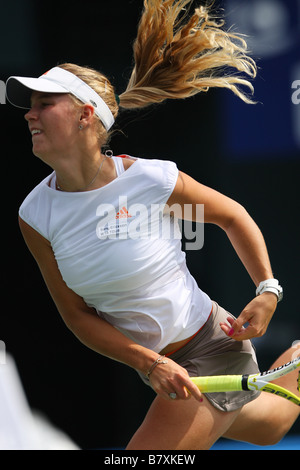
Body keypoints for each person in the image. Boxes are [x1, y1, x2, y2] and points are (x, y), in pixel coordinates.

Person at [7, 0, 299, 450]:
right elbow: (75, 314)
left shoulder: (150, 177)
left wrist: (267, 290)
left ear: (86, 115)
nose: (29, 113)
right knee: (273, 424)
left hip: (211, 349)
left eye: (45, 104)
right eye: (30, 106)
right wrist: (147, 362)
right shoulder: (34, 214)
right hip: (162, 368)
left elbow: (231, 215)